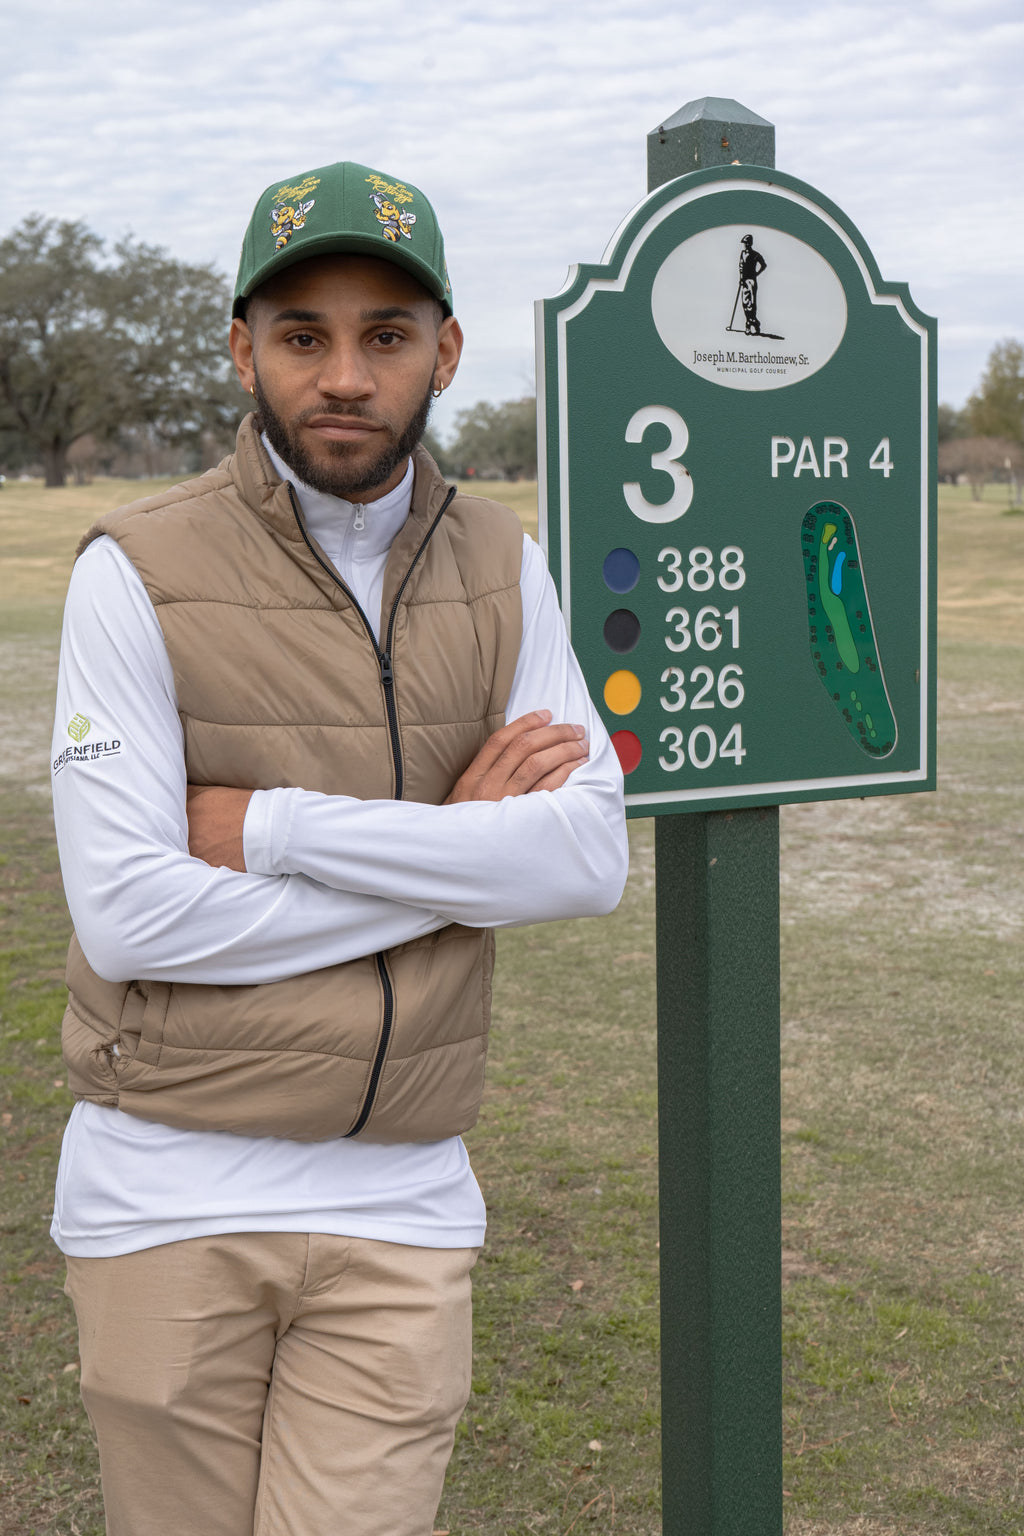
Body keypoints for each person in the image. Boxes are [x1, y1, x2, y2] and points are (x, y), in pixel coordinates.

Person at [49, 159, 628, 1536]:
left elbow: (583, 861)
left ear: (446, 351)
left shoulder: (509, 562)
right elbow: (133, 918)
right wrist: (452, 854)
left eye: (386, 335)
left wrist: (276, 830)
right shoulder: (131, 564)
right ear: (244, 348)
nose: (346, 376)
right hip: (166, 1196)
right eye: (304, 336)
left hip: (405, 1206)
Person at [738, 232, 766, 336]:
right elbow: (741, 267)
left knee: (751, 303)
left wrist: (756, 273)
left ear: (750, 243)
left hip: (751, 281)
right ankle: (753, 322)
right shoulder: (742, 253)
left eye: (747, 243)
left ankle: (749, 324)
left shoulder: (755, 254)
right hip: (744, 281)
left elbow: (763, 265)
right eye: (744, 243)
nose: (745, 245)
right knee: (745, 303)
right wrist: (741, 278)